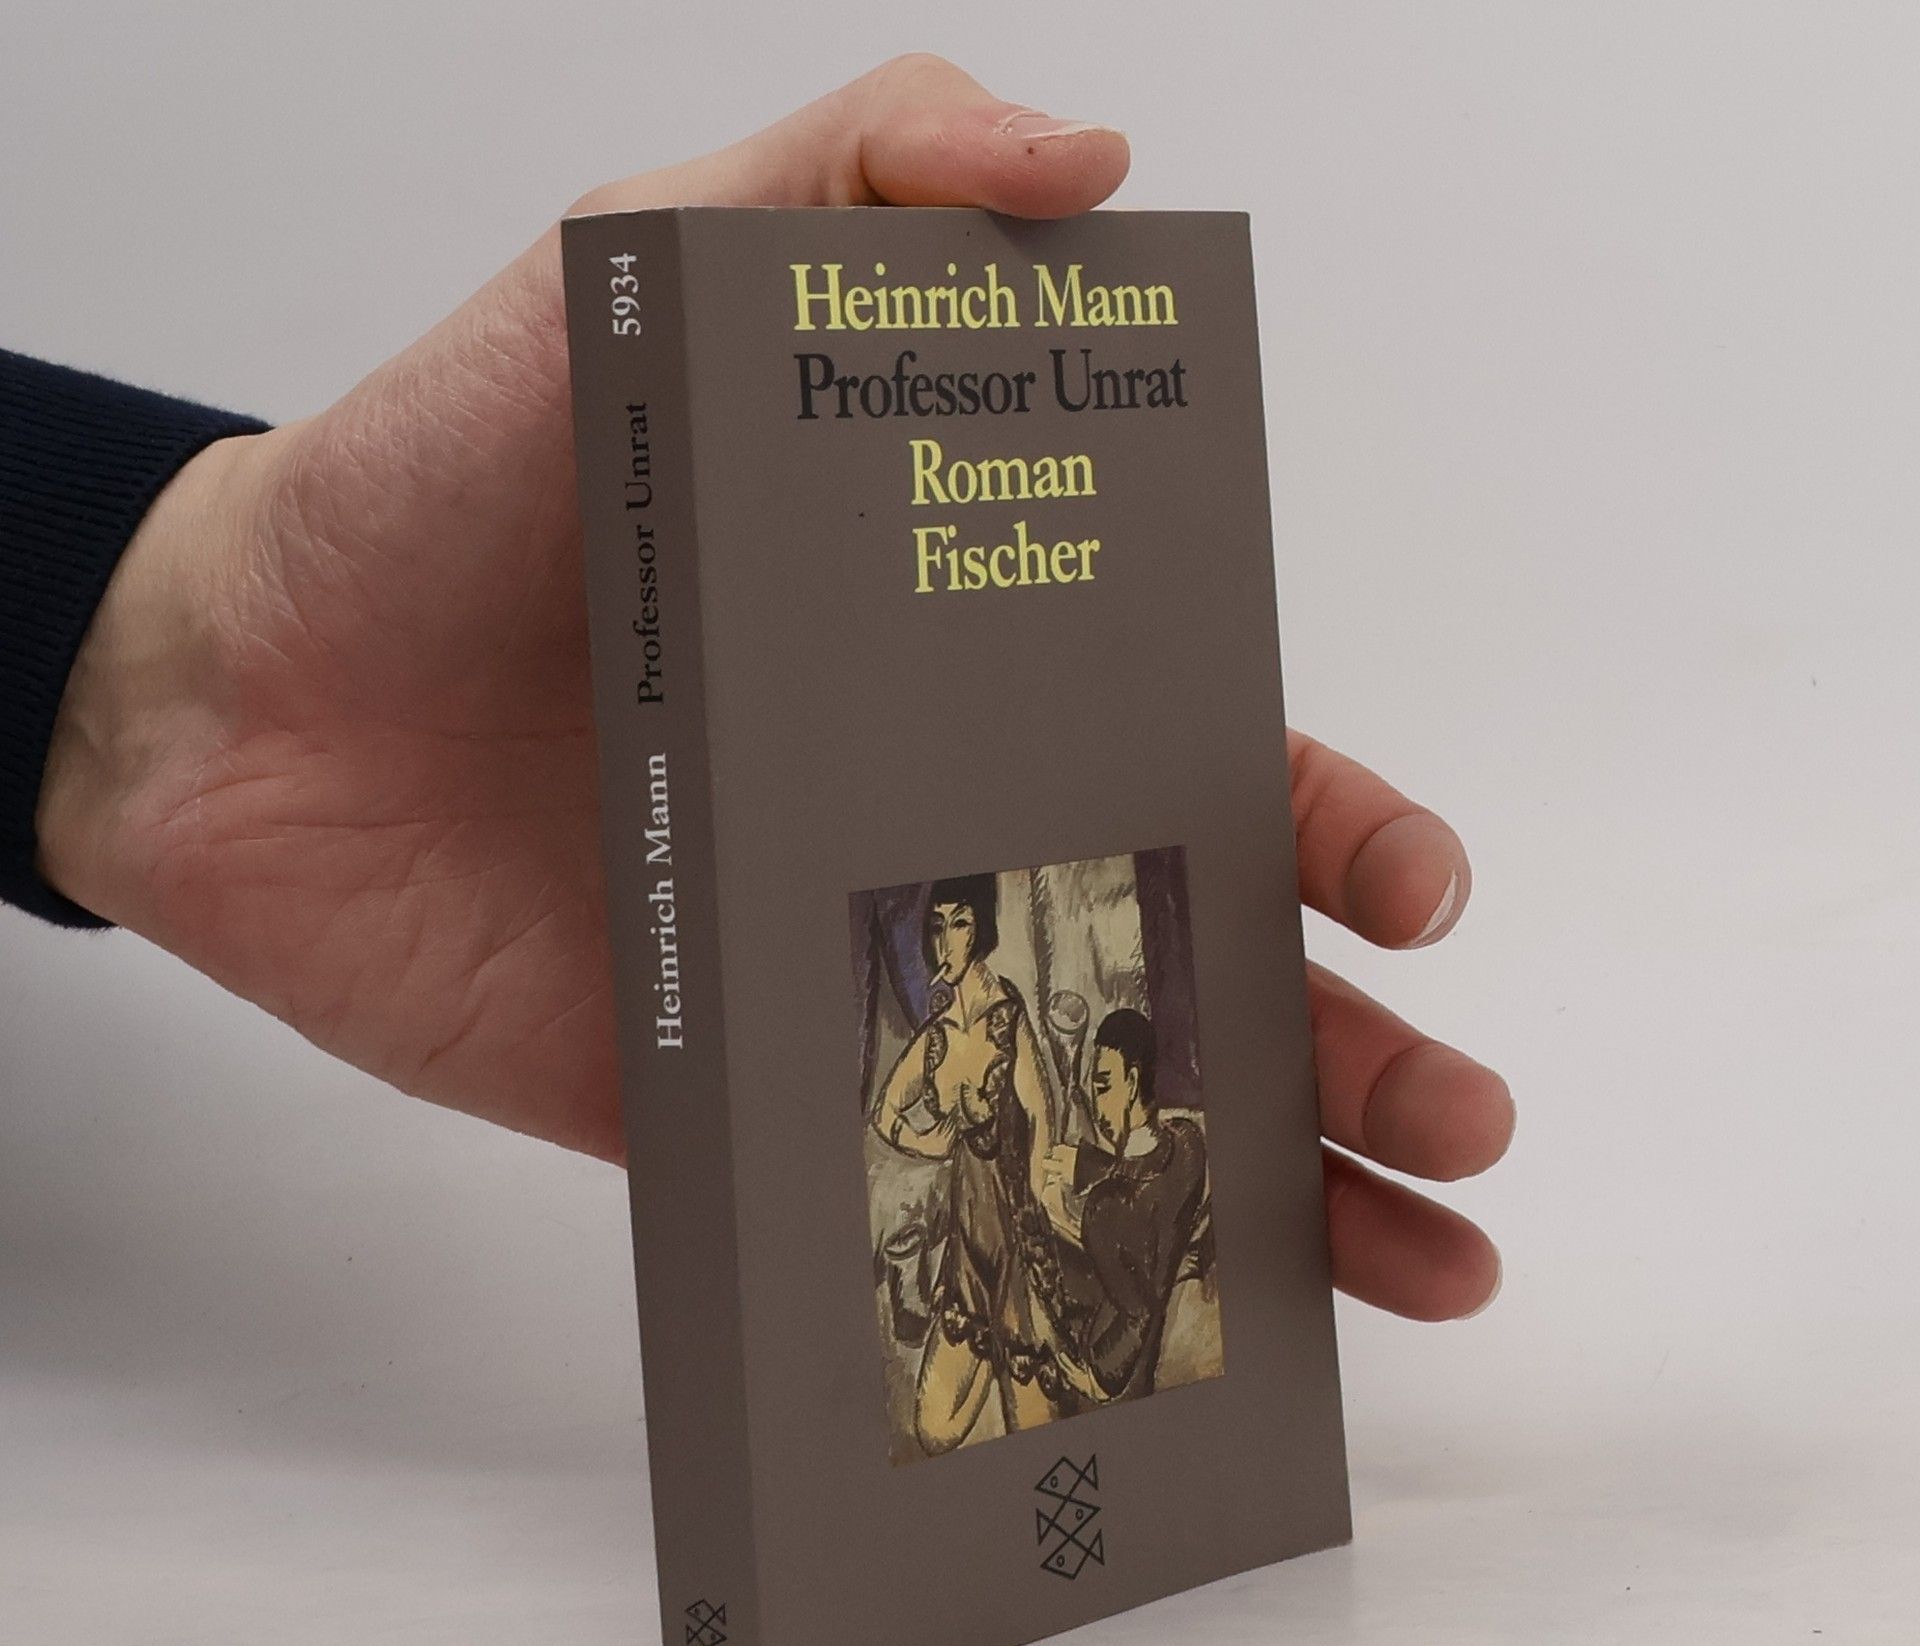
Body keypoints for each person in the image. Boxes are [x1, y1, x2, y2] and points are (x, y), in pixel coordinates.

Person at [0, 53, 1515, 1325]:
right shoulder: (945, 1025)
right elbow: (912, 1117)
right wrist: (202, 661)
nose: (962, 947)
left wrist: (188, 647)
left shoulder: (1034, 1044)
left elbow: (1029, 1120)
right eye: (956, 935)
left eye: (968, 937)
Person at [871, 875, 1073, 1451]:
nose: (946, 941)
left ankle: (1013, 1349)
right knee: (933, 1431)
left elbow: (1041, 1113)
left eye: (959, 923)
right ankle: (989, 1353)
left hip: (1019, 1248)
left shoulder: (1006, 1017)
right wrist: (929, 1143)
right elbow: (885, 1112)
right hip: (968, 1256)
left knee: (1035, 1433)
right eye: (937, 926)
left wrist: (1043, 1196)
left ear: (980, 929)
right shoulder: (936, 1037)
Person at [1039, 1009, 1215, 1403]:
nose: (1097, 1105)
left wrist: (1097, 1382)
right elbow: (1151, 1178)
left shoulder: (1105, 1209)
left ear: (1132, 1083)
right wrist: (1094, 1167)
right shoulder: (1189, 1143)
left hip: (1118, 1373)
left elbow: (1138, 1315)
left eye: (1103, 1086)